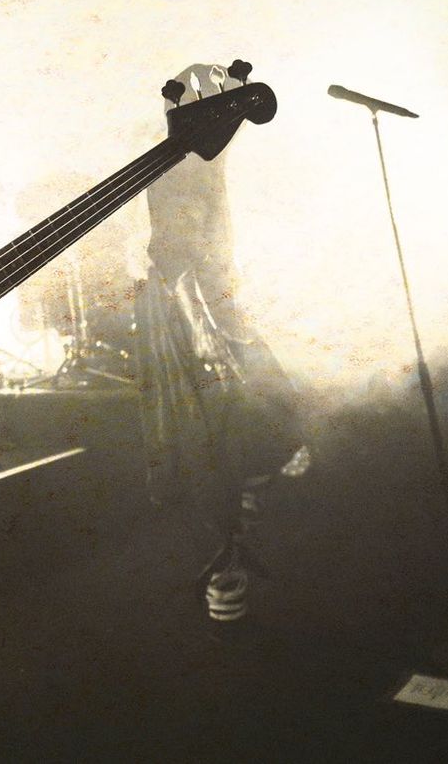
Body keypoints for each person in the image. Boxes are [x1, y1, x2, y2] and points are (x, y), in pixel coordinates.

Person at [133, 62, 307, 622]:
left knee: (227, 437)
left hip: (204, 302)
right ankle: (230, 559)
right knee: (221, 435)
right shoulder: (184, 224)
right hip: (197, 310)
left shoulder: (194, 200)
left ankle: (231, 551)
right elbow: (184, 261)